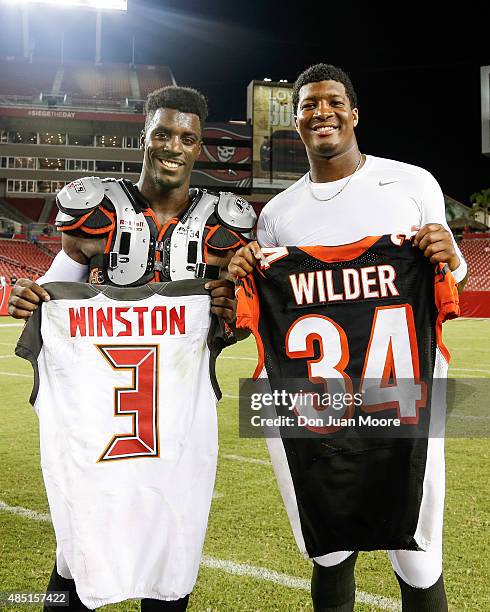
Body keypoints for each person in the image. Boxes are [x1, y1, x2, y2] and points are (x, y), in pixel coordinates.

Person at [228, 63, 467, 612]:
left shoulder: (413, 182)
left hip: (404, 381)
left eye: (332, 101)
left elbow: (453, 280)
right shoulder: (277, 217)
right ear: (295, 121)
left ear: (353, 113)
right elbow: (265, 312)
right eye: (308, 105)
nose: (321, 112)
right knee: (329, 545)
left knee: (418, 551)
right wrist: (245, 269)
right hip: (315, 398)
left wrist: (451, 260)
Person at [9, 85, 255, 611]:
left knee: (171, 544)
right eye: (162, 133)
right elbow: (59, 286)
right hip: (101, 407)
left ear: (199, 146)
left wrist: (229, 315)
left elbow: (233, 325)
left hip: (177, 409)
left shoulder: (222, 226)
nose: (173, 146)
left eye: (187, 138)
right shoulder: (96, 210)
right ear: (144, 135)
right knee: (76, 550)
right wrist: (32, 295)